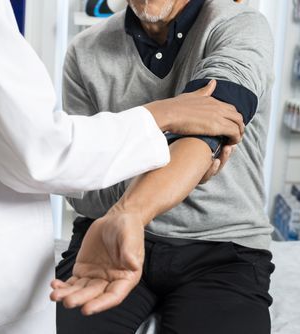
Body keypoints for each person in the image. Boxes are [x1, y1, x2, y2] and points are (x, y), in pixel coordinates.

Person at [0, 0, 243, 333]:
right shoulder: (85, 48)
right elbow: (42, 150)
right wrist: (163, 116)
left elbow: (217, 116)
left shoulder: (234, 25)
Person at [51, 0, 275, 333]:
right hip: (105, 243)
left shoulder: (238, 24)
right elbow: (80, 183)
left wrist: (129, 210)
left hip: (220, 249)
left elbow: (209, 127)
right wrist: (175, 134)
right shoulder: (85, 51)